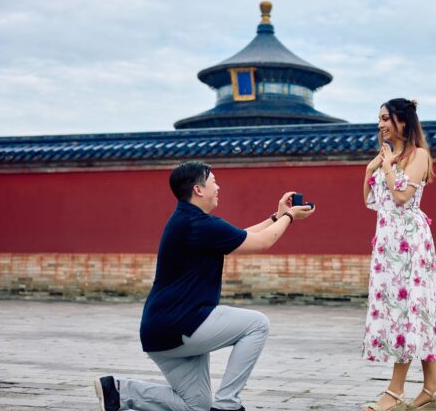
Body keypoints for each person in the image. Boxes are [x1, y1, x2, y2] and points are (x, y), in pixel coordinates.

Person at [94, 161, 315, 411]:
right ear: (199, 189)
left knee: (196, 406)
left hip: (160, 330)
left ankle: (119, 392)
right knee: (257, 324)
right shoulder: (197, 224)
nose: (218, 187)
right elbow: (263, 242)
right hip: (180, 323)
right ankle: (228, 405)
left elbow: (243, 236)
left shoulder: (191, 221)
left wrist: (277, 216)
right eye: (213, 181)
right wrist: (289, 216)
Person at [361, 99, 436, 411]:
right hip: (387, 243)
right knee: (416, 311)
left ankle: (394, 391)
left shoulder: (418, 155)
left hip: (410, 243)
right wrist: (371, 168)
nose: (380, 124)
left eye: (386, 118)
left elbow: (401, 196)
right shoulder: (388, 156)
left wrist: (385, 168)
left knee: (408, 311)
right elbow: (371, 201)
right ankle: (432, 388)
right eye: (379, 118)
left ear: (403, 122)